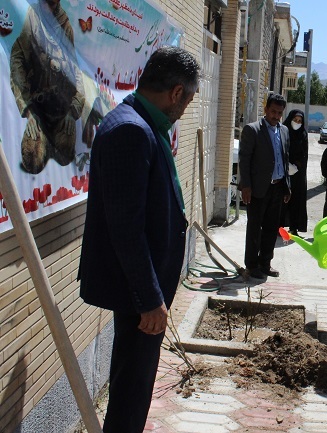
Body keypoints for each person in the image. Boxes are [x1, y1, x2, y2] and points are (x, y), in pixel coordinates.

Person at [77, 46, 200, 433]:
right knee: (131, 393)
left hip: (143, 290)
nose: (184, 110)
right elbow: (125, 229)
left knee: (135, 385)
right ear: (176, 93)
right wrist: (149, 299)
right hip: (139, 296)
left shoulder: (143, 124)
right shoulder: (130, 130)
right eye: (187, 101)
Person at [10, 0, 85, 174]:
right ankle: (42, 139)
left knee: (65, 152)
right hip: (38, 108)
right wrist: (29, 110)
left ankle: (53, 140)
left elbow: (76, 73)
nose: (46, 9)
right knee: (33, 159)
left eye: (50, 5)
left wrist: (73, 110)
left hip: (60, 109)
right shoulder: (33, 17)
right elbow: (17, 60)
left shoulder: (65, 27)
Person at [238, 93, 291, 279]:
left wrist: (287, 186)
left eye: (279, 113)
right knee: (254, 228)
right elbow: (244, 159)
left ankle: (265, 263)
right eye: (273, 111)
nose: (276, 116)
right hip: (257, 188)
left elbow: (284, 159)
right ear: (266, 109)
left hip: (277, 187)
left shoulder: (284, 131)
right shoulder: (252, 130)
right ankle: (252, 266)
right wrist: (246, 186)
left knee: (271, 228)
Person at [282, 109, 308, 235]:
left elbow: (304, 155)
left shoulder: (303, 135)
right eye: (295, 120)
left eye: (299, 121)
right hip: (282, 173)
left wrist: (297, 167)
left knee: (296, 200)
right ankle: (278, 227)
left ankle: (294, 227)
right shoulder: (283, 132)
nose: (297, 123)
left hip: (297, 174)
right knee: (281, 200)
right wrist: (286, 166)